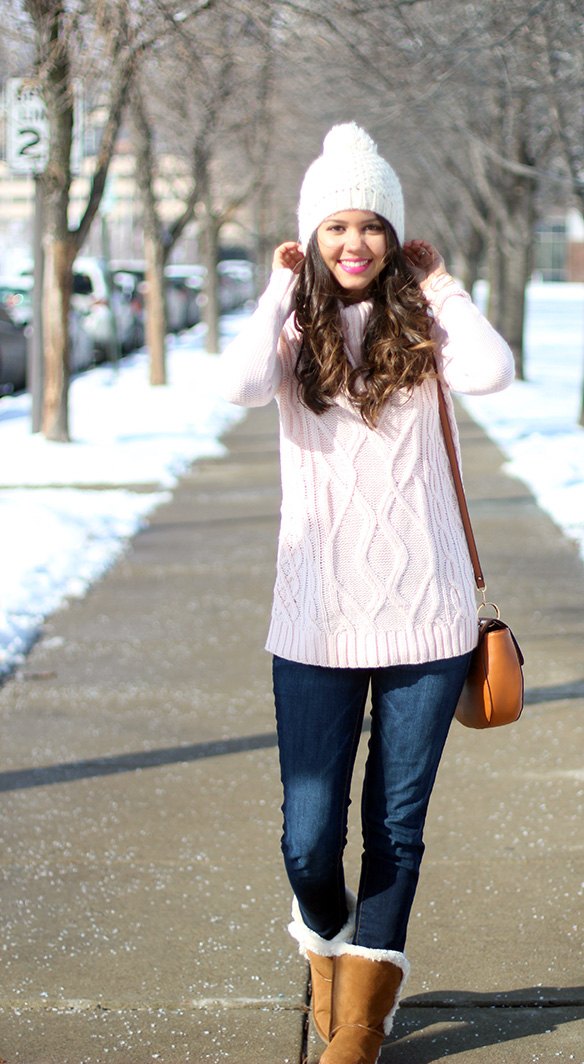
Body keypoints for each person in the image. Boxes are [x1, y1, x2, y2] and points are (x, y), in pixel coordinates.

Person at [218, 122, 514, 1064]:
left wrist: (442, 284)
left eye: (372, 225)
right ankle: (325, 937)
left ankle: (363, 1017)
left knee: (396, 826)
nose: (355, 242)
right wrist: (278, 287)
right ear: (313, 234)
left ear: (393, 236)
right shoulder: (292, 332)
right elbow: (236, 385)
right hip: (317, 620)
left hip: (428, 616)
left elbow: (494, 372)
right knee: (309, 841)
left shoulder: (423, 326)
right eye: (337, 225)